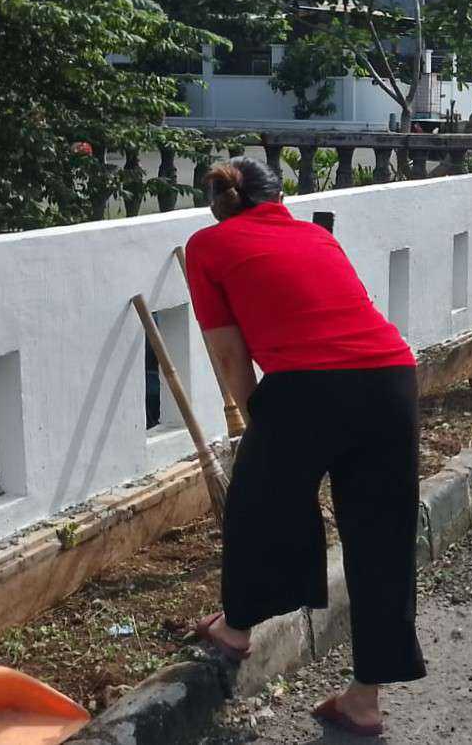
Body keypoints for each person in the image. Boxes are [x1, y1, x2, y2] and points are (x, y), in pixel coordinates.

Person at [184, 157, 424, 737]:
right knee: (382, 537)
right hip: (392, 376)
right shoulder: (317, 236)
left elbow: (229, 353)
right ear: (279, 197)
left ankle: (236, 630)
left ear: (219, 204)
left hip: (306, 384)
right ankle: (364, 699)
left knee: (259, 505)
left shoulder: (208, 245)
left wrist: (256, 418)